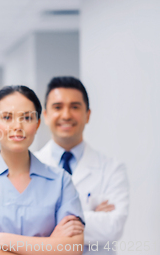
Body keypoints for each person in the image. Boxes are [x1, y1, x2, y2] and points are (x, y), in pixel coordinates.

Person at [35, 76, 129, 255]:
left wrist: (49, 219)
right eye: (57, 107)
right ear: (45, 115)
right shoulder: (29, 166)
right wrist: (91, 215)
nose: (66, 115)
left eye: (75, 107)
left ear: (88, 115)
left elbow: (113, 227)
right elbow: (24, 230)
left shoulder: (112, 169)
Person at [0, 85, 84, 255]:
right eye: (7, 117)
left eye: (27, 117)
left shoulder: (61, 181)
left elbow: (73, 248)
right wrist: (50, 245)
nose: (17, 126)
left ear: (38, 123)